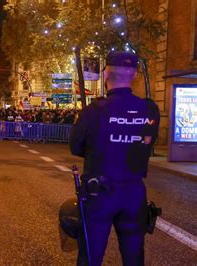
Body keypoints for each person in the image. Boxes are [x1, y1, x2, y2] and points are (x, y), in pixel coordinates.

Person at [69, 51, 160, 266]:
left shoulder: (94, 111)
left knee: (90, 256)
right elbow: (148, 142)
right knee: (134, 257)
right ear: (135, 74)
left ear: (106, 74)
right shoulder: (149, 109)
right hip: (133, 193)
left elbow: (76, 147)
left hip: (99, 192)